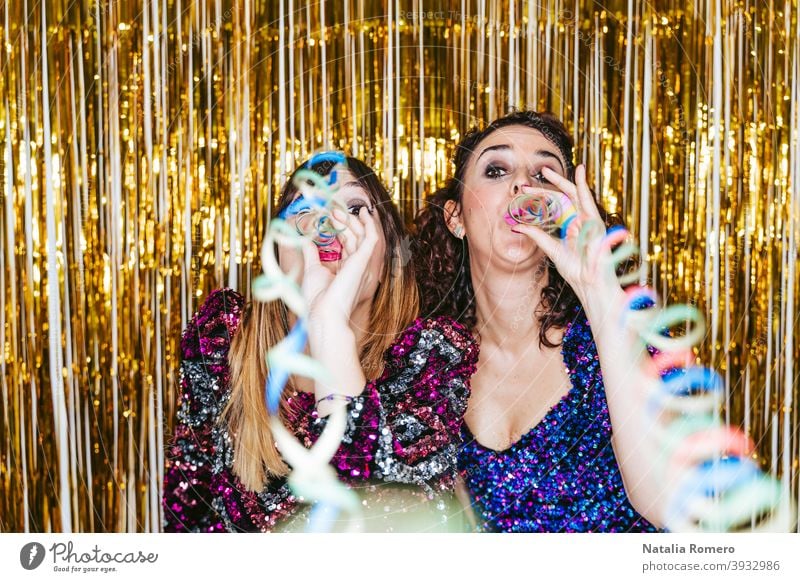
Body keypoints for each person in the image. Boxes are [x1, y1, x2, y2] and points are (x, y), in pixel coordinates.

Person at [163, 155, 478, 532]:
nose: (329, 226)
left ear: (388, 250)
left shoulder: (430, 361)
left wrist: (328, 321)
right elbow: (187, 521)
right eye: (306, 210)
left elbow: (374, 516)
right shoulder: (222, 342)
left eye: (355, 208)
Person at [414, 111, 666, 532]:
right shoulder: (428, 366)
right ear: (455, 217)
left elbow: (670, 505)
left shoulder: (625, 328)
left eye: (544, 174)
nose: (523, 186)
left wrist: (600, 293)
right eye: (497, 169)